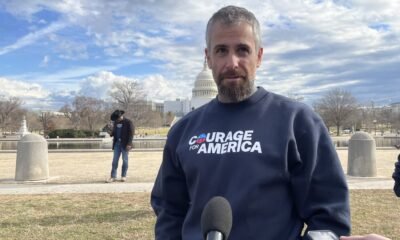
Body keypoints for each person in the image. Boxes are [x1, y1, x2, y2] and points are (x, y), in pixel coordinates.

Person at [151, 5, 350, 240]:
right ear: (209, 58)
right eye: (221, 50)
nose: (232, 62)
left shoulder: (298, 123)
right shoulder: (183, 131)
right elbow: (170, 213)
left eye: (243, 50)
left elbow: (328, 218)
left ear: (259, 56)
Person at [106, 110, 134, 183]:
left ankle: (123, 176)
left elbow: (131, 134)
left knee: (125, 160)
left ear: (121, 116)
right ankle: (113, 176)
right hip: (117, 144)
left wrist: (129, 144)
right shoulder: (115, 123)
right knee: (115, 161)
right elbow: (113, 134)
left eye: (117, 118)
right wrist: (109, 131)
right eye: (116, 119)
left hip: (125, 144)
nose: (117, 120)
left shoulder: (128, 122)